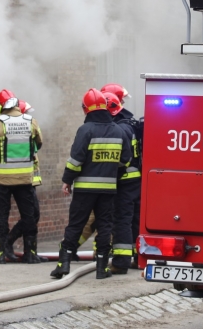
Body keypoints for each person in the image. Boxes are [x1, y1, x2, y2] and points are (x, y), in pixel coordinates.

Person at [50, 88, 132, 280]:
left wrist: (67, 180)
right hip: (108, 189)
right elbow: (125, 160)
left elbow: (76, 160)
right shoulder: (118, 131)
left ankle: (63, 264)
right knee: (105, 226)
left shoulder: (85, 130)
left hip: (85, 190)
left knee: (75, 225)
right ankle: (102, 269)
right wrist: (111, 171)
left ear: (86, 109)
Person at [0, 89, 42, 264]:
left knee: (2, 217)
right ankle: (31, 254)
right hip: (25, 179)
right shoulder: (31, 121)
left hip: (2, 180)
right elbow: (38, 144)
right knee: (29, 216)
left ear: (0, 106)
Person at [101, 83, 142, 273]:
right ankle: (138, 258)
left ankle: (120, 262)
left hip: (124, 180)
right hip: (136, 180)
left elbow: (120, 158)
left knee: (122, 220)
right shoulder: (130, 123)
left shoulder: (119, 128)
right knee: (135, 220)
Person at [4, 100, 45, 263]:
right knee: (31, 216)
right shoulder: (20, 131)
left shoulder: (26, 130)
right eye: (26, 112)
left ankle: (30, 251)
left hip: (30, 180)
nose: (28, 115)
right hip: (24, 180)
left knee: (33, 215)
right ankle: (11, 243)